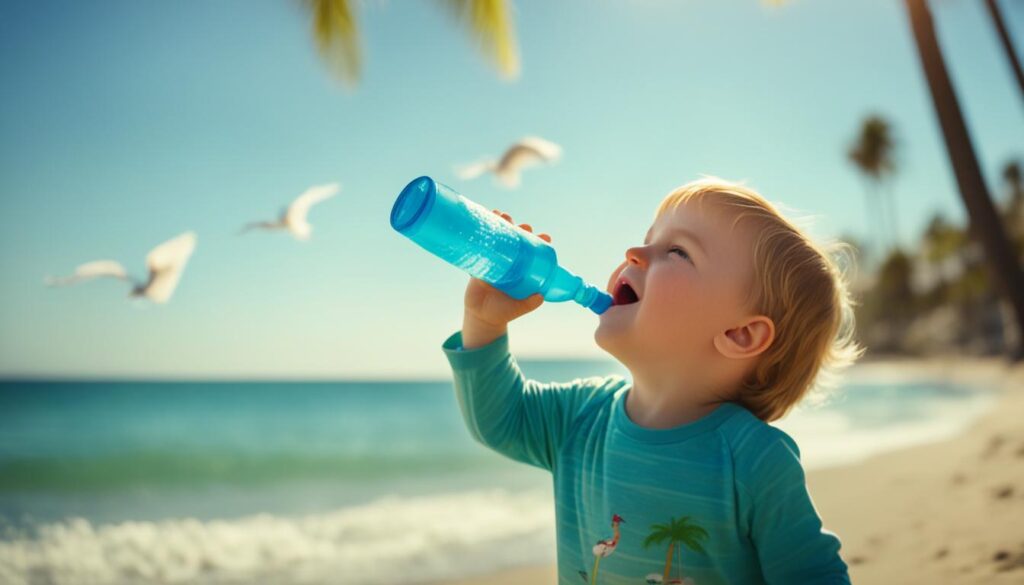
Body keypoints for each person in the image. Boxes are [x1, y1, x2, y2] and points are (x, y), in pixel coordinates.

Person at [442, 177, 864, 584]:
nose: (634, 251)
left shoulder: (754, 461)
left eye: (678, 252)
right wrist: (483, 321)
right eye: (648, 237)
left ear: (740, 334)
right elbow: (501, 420)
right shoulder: (581, 416)